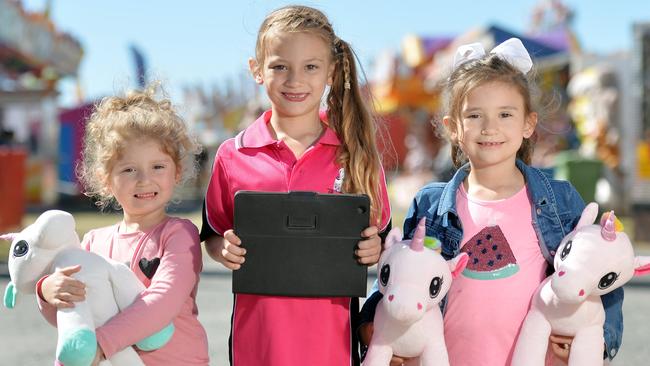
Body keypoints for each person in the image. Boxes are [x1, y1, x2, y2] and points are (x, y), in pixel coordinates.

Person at [358, 38, 623, 366]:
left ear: (528, 124)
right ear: (453, 128)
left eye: (505, 114)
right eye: (474, 116)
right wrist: (370, 329)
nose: (490, 127)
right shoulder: (430, 204)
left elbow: (602, 273)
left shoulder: (559, 200)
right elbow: (396, 274)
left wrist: (599, 340)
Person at [200, 5, 391, 366]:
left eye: (310, 67)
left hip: (333, 344)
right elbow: (212, 234)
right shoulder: (232, 154)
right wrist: (222, 250)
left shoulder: (358, 154)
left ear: (332, 71)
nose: (294, 79)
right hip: (257, 342)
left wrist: (374, 249)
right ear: (256, 70)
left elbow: (382, 239)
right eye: (279, 66)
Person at [37, 85, 210, 365]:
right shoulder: (93, 243)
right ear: (105, 178)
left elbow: (162, 301)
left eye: (158, 167)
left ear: (176, 171)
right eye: (129, 169)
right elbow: (74, 320)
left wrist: (101, 346)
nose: (144, 179)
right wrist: (47, 292)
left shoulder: (179, 235)